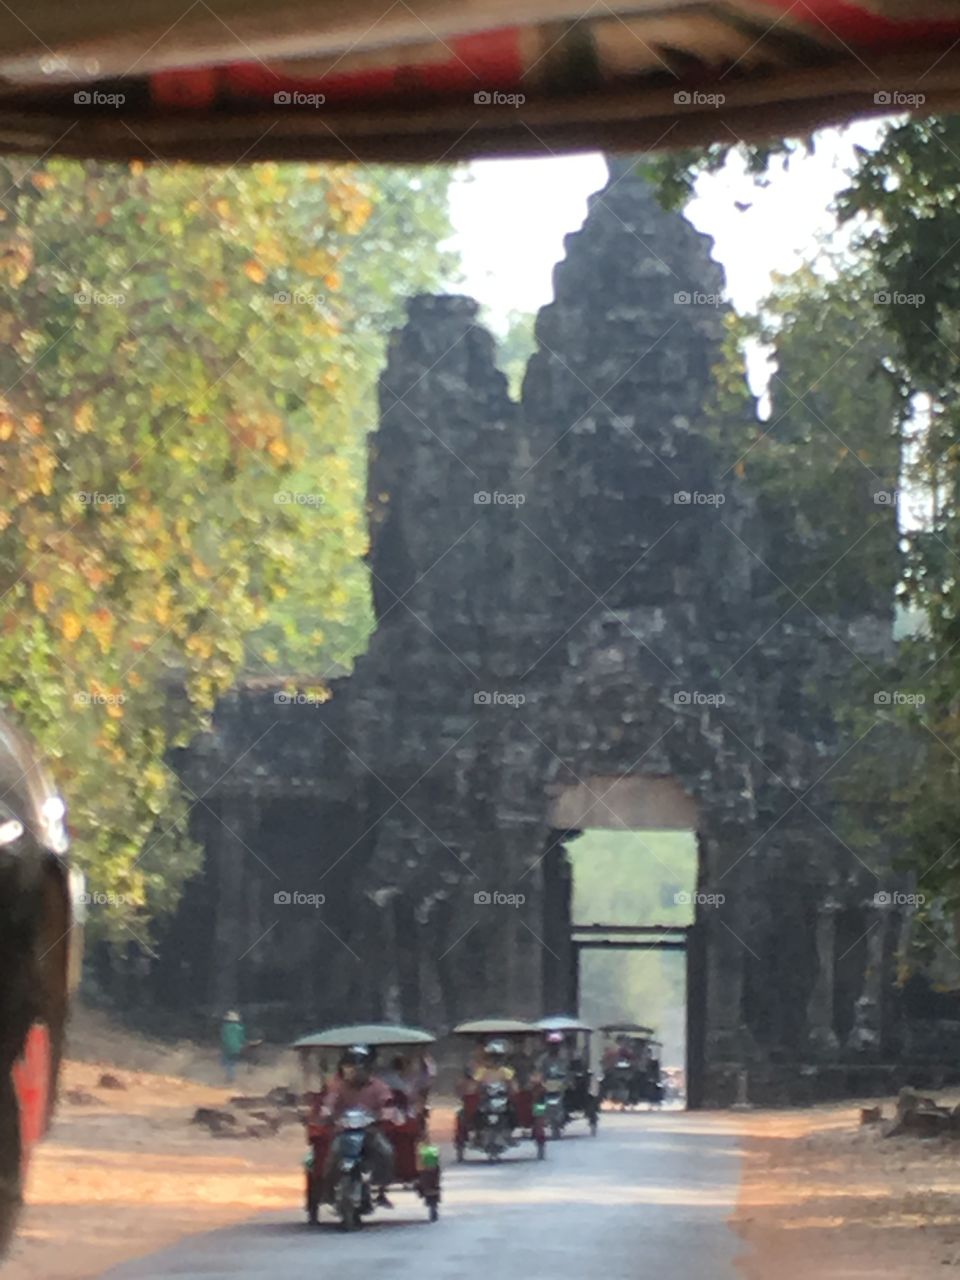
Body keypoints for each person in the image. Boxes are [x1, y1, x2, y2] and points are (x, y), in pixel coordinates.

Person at [324, 1044, 395, 1205]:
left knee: (386, 1152)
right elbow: (330, 1101)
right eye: (348, 1068)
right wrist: (327, 1111)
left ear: (366, 1069)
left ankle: (382, 1188)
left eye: (356, 1068)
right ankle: (328, 1189)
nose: (352, 1072)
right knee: (331, 1157)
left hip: (370, 1131)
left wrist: (386, 1114)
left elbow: (387, 1102)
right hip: (344, 1131)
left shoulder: (378, 1086)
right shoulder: (338, 1086)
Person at [219, 1010, 246, 1084]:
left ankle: (230, 1078)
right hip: (237, 1048)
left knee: (226, 1063)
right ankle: (230, 1076)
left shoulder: (224, 1028)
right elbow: (242, 1039)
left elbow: (223, 1038)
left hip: (227, 1048)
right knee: (232, 1063)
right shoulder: (240, 1028)